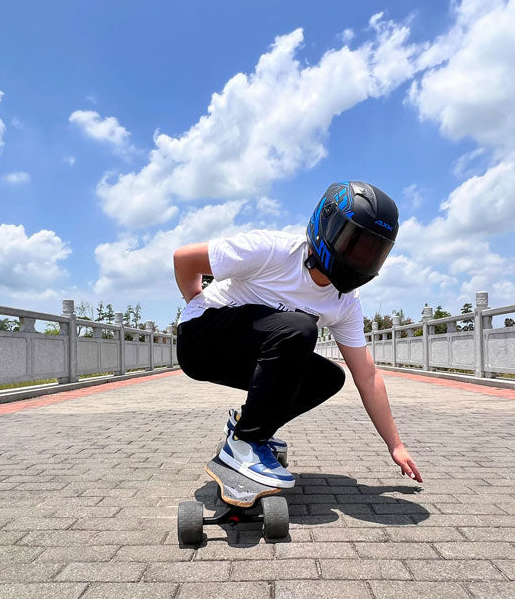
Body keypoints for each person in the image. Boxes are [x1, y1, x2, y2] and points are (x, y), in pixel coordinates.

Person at [173, 181, 422, 489]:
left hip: (248, 351)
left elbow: (368, 376)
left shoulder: (344, 302)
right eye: (354, 244)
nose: (360, 260)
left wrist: (395, 444)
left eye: (373, 252)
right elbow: (184, 258)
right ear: (327, 227)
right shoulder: (274, 250)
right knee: (299, 328)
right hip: (200, 339)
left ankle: (247, 429)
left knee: (328, 377)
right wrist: (195, 301)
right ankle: (243, 445)